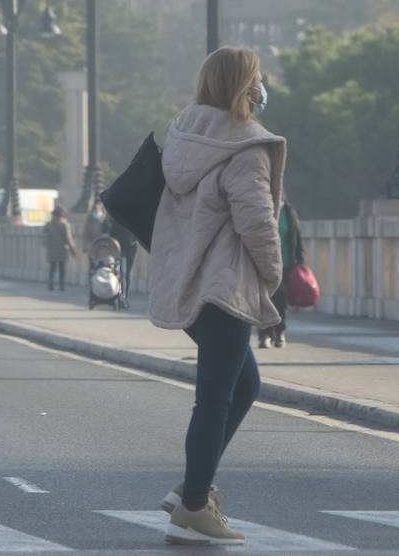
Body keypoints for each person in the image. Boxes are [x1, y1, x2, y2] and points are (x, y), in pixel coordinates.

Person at [149, 45, 285, 546]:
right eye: (256, 78)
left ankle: (192, 487)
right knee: (214, 399)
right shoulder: (244, 146)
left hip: (189, 282)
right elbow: (257, 220)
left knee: (242, 387)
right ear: (240, 86)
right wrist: (273, 276)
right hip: (226, 285)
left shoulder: (186, 135)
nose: (261, 87)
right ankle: (193, 509)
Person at [258, 204, 303, 349]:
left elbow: (297, 236)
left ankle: (279, 332)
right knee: (264, 300)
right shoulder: (262, 208)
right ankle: (264, 334)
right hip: (264, 263)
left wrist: (300, 261)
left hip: (285, 264)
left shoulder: (289, 212)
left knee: (281, 299)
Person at [104, 216, 138, 304]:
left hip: (128, 249)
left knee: (125, 274)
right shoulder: (116, 220)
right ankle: (121, 296)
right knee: (123, 274)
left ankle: (123, 295)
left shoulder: (127, 220)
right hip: (121, 250)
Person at [43, 207, 75, 291]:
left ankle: (51, 284)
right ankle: (61, 285)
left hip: (51, 249)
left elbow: (44, 234)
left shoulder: (49, 224)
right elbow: (68, 238)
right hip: (62, 249)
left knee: (52, 267)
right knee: (62, 268)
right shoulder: (64, 224)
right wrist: (72, 250)